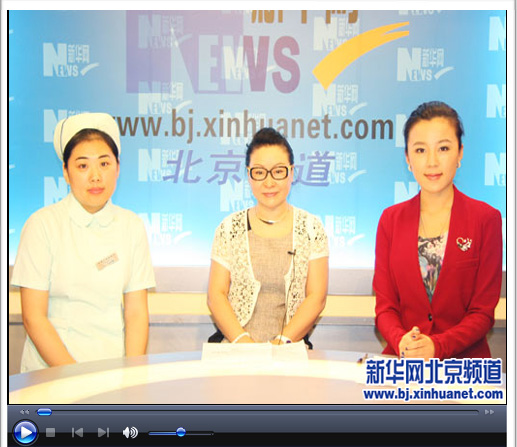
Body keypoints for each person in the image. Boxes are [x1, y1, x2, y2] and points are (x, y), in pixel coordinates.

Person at [11, 112, 156, 372]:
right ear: (66, 172)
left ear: (117, 168)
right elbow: (34, 317)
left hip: (113, 371)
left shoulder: (131, 226)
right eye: (82, 166)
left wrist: (132, 376)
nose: (95, 176)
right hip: (52, 374)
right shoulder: (42, 225)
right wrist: (76, 378)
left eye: (104, 163)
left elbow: (136, 313)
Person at [373, 101, 502, 360]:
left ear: (460, 153)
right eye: (420, 150)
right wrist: (402, 341)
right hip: (405, 362)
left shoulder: (486, 219)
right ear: (408, 158)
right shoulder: (390, 220)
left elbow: (483, 312)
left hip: (464, 366)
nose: (432, 162)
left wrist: (437, 346)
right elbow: (385, 308)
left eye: (443, 148)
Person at [207, 128, 329, 346]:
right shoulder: (229, 228)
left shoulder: (312, 228)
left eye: (278, 171)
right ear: (249, 175)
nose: (269, 182)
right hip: (236, 348)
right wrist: (243, 342)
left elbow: (316, 297)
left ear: (291, 172)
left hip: (290, 348)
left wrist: (281, 342)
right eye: (259, 172)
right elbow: (216, 295)